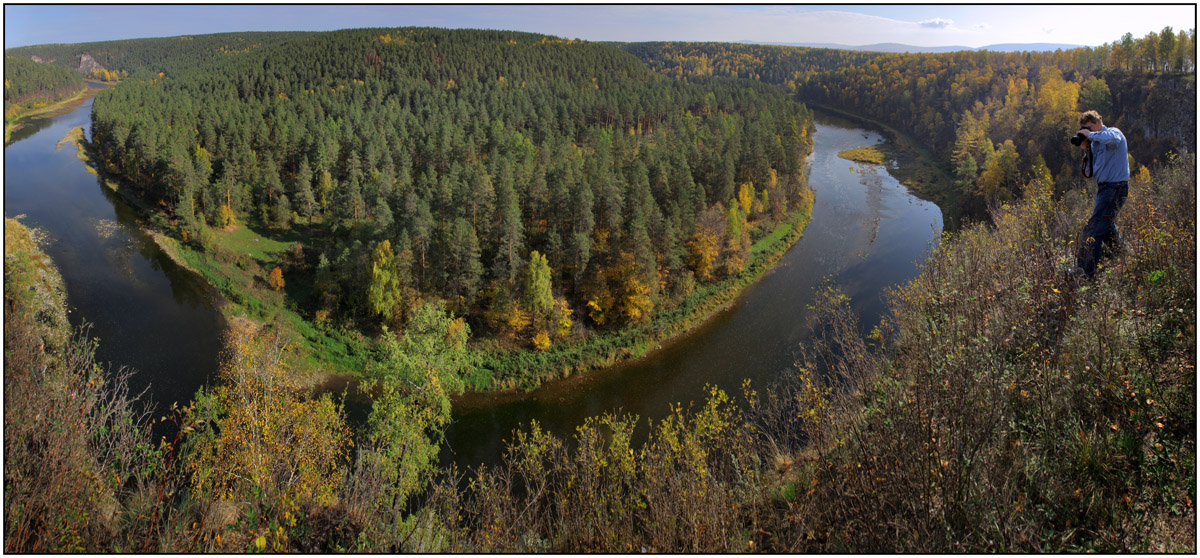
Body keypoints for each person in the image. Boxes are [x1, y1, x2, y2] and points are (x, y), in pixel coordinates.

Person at [1073, 110, 1129, 279]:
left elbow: (1114, 140)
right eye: (1083, 129)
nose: (1086, 132)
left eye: (1088, 127)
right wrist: (1087, 150)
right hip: (1104, 189)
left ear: (1098, 122)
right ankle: (1123, 256)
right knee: (1106, 225)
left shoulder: (1112, 132)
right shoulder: (1094, 144)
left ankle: (1085, 272)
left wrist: (1091, 135)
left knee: (1093, 229)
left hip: (1115, 188)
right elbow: (1090, 172)